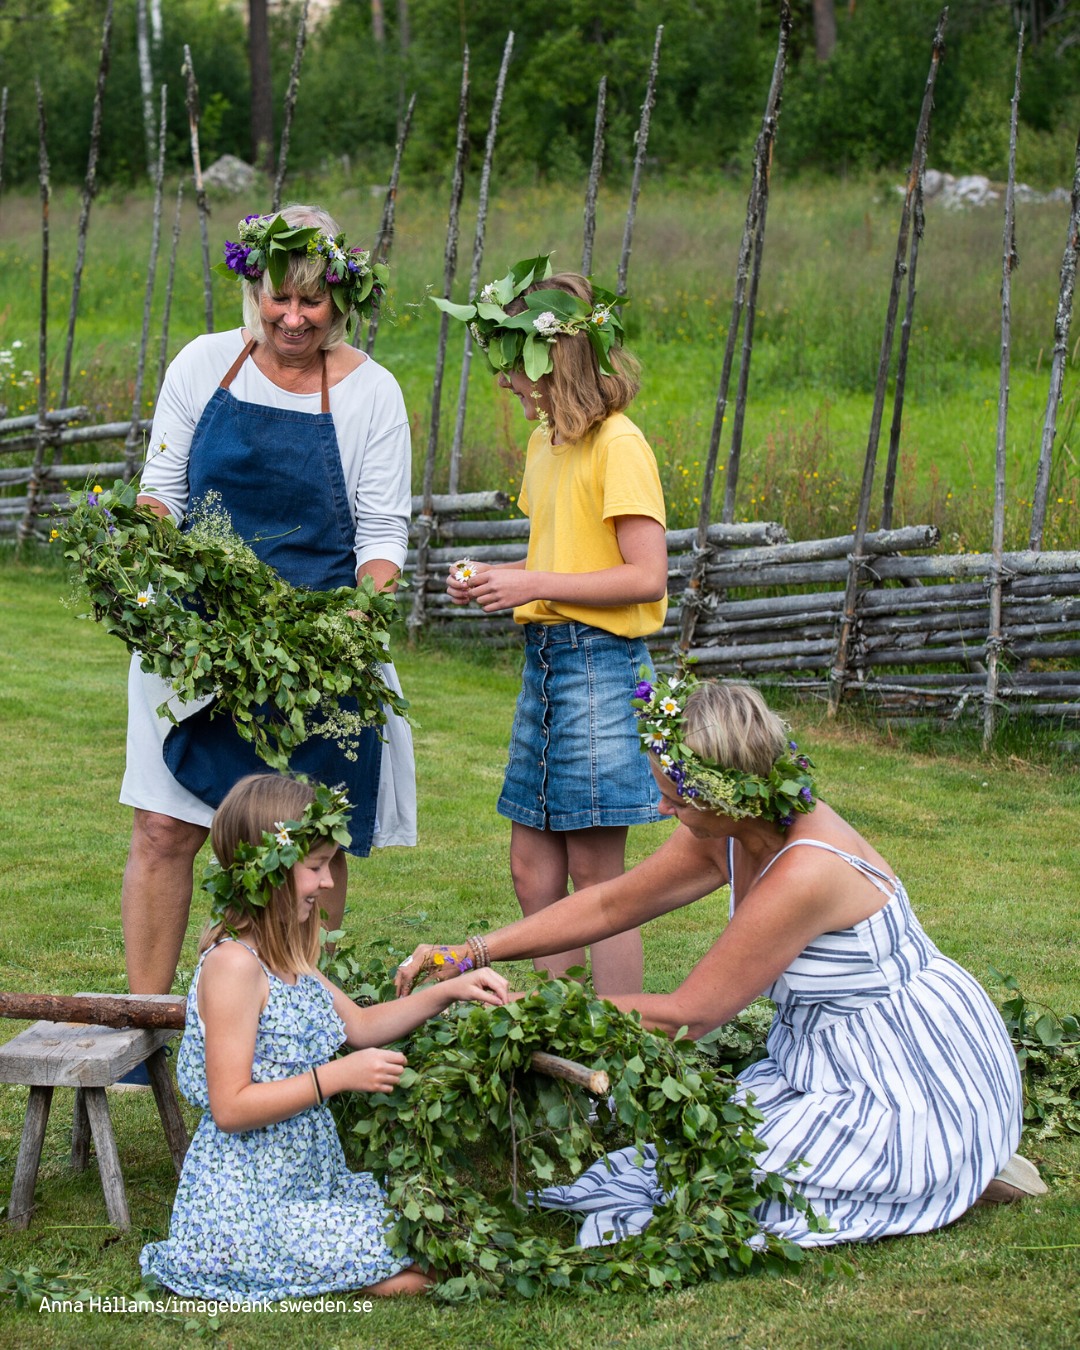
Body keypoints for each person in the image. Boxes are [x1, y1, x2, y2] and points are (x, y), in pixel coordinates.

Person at [395, 675, 1041, 1245]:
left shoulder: (806, 872)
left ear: (723, 792)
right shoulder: (738, 827)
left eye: (675, 799)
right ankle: (948, 1160)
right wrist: (471, 952)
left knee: (717, 1186)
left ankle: (953, 1151)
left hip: (909, 1068)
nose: (662, 809)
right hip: (824, 1054)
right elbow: (607, 906)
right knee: (675, 1164)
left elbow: (688, 1015)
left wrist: (531, 1012)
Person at [121, 204, 415, 998]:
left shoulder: (370, 394)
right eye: (276, 299)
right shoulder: (203, 364)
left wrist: (354, 624)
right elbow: (162, 491)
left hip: (314, 651)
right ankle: (146, 1027)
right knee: (164, 827)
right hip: (197, 638)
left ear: (339, 301)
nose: (291, 318)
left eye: (310, 302)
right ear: (252, 288)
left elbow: (383, 534)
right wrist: (143, 576)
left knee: (305, 847)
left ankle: (286, 1024)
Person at [140, 773, 509, 1300]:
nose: (329, 882)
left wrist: (449, 992)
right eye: (315, 867)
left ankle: (346, 1270)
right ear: (268, 872)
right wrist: (334, 1078)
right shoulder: (233, 968)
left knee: (439, 1232)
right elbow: (230, 1106)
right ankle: (326, 1276)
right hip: (249, 1203)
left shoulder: (288, 956)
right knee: (433, 1266)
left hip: (306, 1182)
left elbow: (359, 1027)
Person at [432, 256, 668, 996]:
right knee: (532, 871)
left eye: (511, 362)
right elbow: (567, 549)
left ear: (553, 356)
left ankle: (616, 1049)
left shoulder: (619, 444)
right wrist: (498, 582)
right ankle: (555, 1029)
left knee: (601, 879)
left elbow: (645, 577)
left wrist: (532, 584)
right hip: (546, 661)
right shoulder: (548, 441)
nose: (503, 381)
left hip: (601, 665)